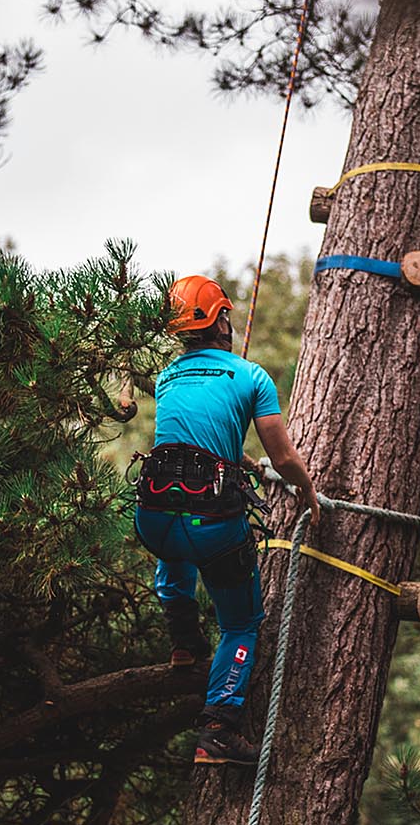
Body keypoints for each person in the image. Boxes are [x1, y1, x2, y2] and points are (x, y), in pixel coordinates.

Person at [133, 274, 320, 766]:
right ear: (219, 320)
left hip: (152, 517)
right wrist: (307, 490)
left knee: (175, 549)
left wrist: (236, 460)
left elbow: (192, 437)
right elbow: (282, 457)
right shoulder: (251, 376)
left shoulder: (168, 376)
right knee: (241, 623)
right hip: (212, 524)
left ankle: (184, 642)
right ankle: (218, 729)